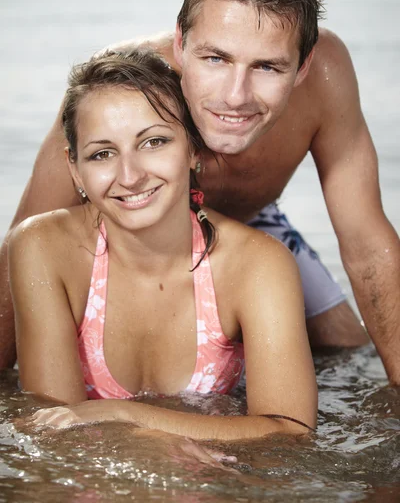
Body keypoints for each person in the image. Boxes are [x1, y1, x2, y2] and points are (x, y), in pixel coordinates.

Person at [1, 0, 399, 383]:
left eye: (267, 66)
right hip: (140, 230)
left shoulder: (327, 77)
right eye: (215, 59)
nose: (235, 96)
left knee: (348, 349)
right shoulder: (127, 92)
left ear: (303, 65)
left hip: (255, 225)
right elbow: (22, 245)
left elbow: (368, 246)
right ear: (180, 43)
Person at [8, 49, 317, 438]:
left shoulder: (255, 264)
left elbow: (291, 432)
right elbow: (55, 431)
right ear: (75, 169)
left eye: (153, 142)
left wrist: (125, 416)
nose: (130, 175)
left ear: (192, 148)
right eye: (102, 154)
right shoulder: (43, 248)